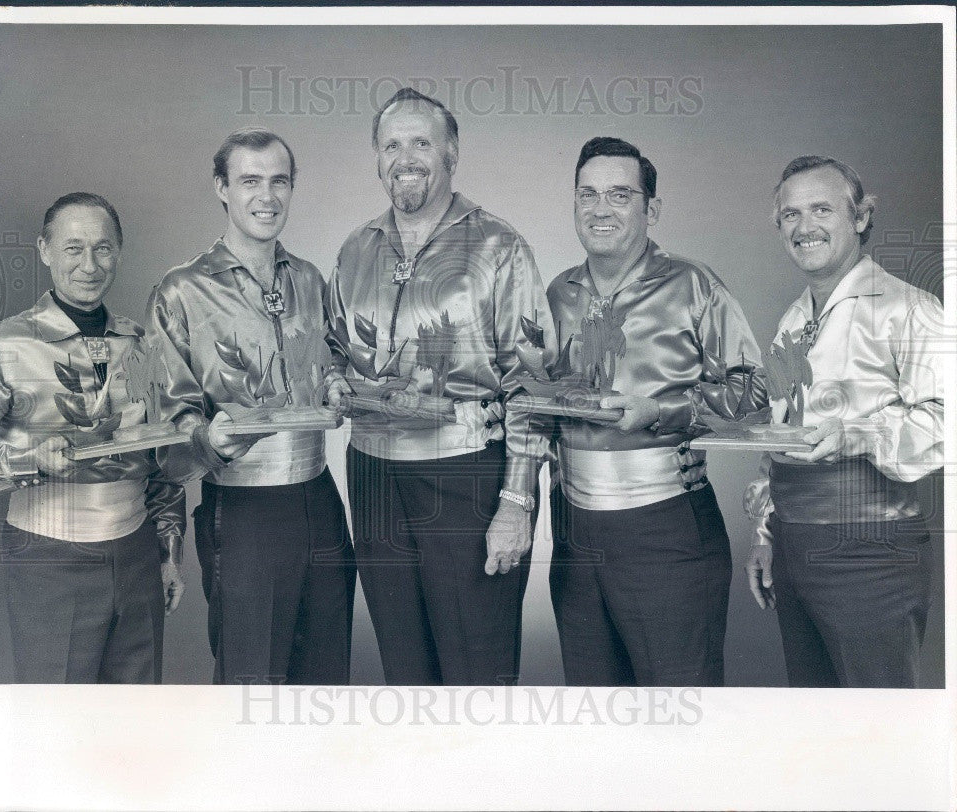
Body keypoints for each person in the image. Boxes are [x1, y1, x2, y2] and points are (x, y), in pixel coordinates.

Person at [325, 87, 555, 686]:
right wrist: (329, 380)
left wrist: (518, 499)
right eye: (392, 144)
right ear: (377, 158)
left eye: (421, 142)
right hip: (372, 474)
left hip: (467, 475)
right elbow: (331, 345)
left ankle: (480, 782)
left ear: (451, 153)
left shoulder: (499, 247)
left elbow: (532, 382)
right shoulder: (354, 251)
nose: (406, 157)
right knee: (404, 667)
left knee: (474, 670)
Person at [546, 137, 767, 687]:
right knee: (593, 712)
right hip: (574, 529)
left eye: (620, 195)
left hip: (665, 526)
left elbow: (755, 393)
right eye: (587, 195)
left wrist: (661, 411)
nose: (601, 209)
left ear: (652, 209)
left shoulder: (693, 285)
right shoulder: (556, 294)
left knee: (677, 709)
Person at [146, 128, 355, 685]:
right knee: (251, 683)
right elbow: (166, 416)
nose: (267, 197)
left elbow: (331, 357)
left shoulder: (309, 279)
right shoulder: (181, 291)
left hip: (320, 499)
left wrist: (336, 383)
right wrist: (205, 438)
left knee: (326, 676)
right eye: (250, 181)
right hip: (242, 511)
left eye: (279, 181)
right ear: (222, 188)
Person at [743, 156, 943, 688]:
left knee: (876, 724)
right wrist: (767, 534)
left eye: (822, 209)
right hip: (793, 549)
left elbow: (945, 422)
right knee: (817, 720)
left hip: (871, 552)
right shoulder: (793, 319)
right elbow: (779, 440)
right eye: (790, 215)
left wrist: (856, 435)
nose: (804, 226)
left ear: (860, 217)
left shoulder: (911, 308)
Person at [0, 192, 185, 683]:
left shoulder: (140, 346)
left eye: (103, 249)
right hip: (48, 557)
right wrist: (29, 460)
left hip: (136, 556)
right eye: (73, 249)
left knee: (134, 722)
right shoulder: (2, 344)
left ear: (119, 252)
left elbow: (159, 456)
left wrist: (168, 550)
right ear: (45, 249)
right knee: (61, 722)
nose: (89, 265)